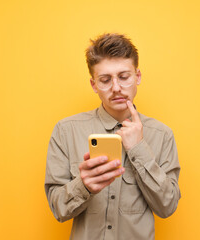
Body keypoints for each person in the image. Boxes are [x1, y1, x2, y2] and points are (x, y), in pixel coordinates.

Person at [45, 33, 181, 240]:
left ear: (138, 77)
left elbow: (167, 206)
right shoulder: (66, 130)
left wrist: (138, 149)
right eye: (105, 80)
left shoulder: (162, 135)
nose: (116, 88)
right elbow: (58, 210)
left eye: (124, 77)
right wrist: (84, 185)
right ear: (94, 85)